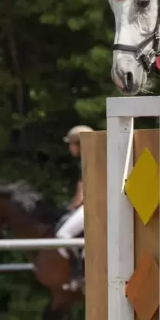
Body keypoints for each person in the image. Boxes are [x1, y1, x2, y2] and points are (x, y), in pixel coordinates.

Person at [56, 124, 94, 291]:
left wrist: (70, 207)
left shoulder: (85, 161)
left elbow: (81, 196)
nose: (70, 148)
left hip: (94, 207)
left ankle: (78, 274)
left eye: (71, 144)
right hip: (105, 206)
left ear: (79, 144)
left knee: (63, 234)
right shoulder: (96, 157)